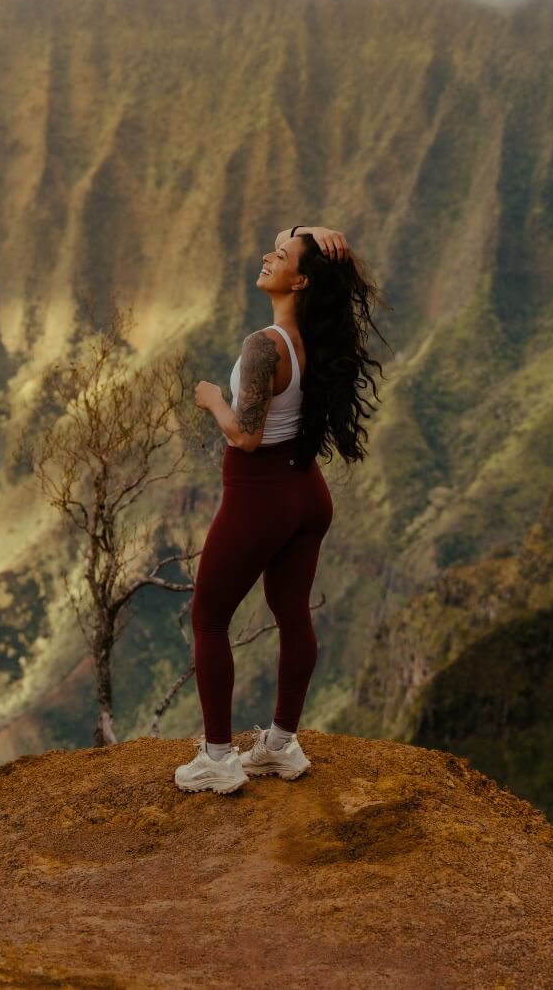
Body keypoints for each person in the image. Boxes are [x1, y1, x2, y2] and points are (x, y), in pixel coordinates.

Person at [174, 222, 390, 794]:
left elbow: (244, 437)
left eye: (282, 255)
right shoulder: (314, 337)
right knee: (292, 612)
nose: (268, 255)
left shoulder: (263, 345)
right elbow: (294, 246)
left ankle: (218, 758)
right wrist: (312, 233)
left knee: (209, 617)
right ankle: (280, 745)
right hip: (306, 493)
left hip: (260, 495)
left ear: (300, 281)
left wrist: (212, 398)